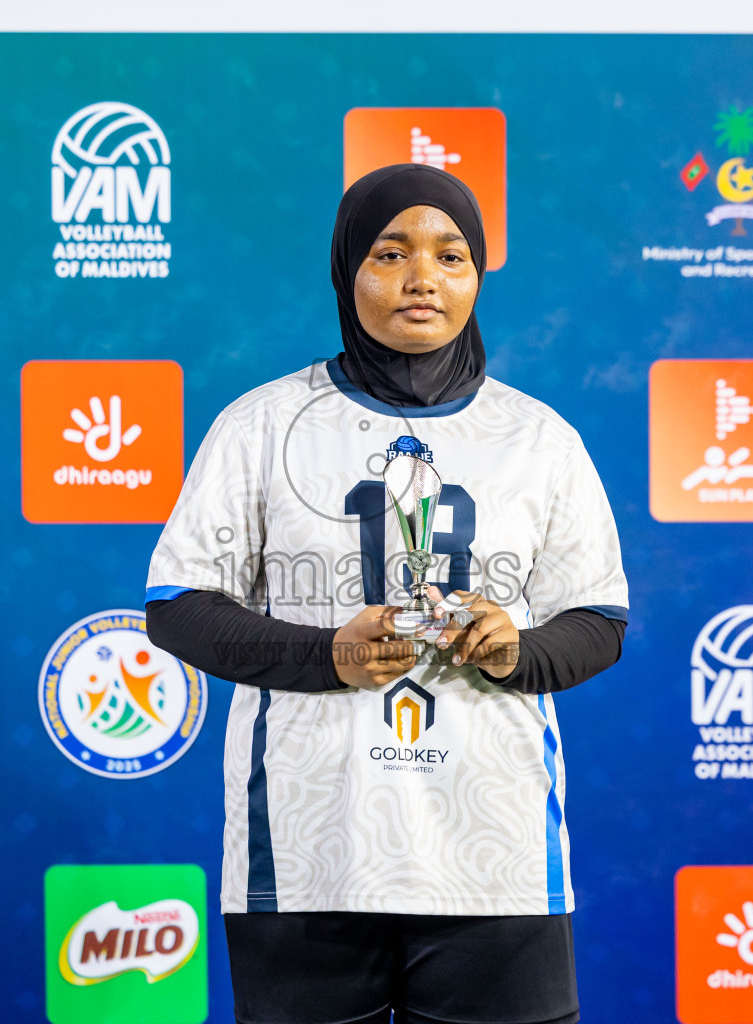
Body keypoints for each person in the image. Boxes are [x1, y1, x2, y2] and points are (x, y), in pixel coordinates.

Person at [146, 163, 630, 1024]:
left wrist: (519, 649)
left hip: (496, 859)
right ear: (346, 271)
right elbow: (180, 606)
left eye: (451, 256)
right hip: (305, 856)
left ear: (477, 275)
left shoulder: (540, 438)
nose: (422, 279)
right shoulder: (261, 424)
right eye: (390, 253)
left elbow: (598, 621)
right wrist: (325, 653)